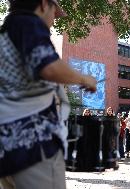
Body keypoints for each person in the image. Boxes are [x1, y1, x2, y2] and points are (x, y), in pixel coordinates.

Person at [0, 0, 97, 188]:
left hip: (6, 150)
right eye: (54, 13)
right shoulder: (29, 22)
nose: (54, 21)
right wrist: (84, 79)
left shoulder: (5, 32)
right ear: (44, 4)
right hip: (33, 148)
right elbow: (49, 66)